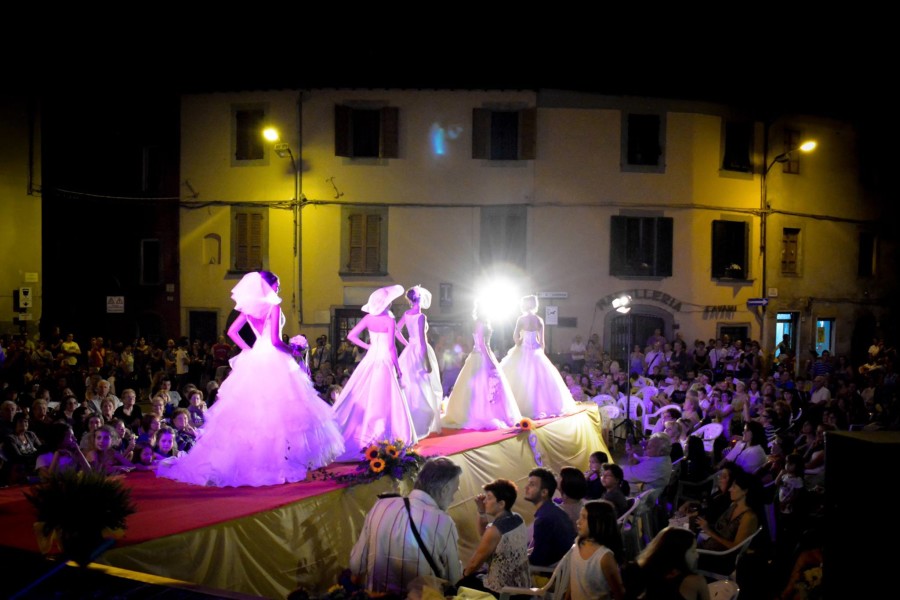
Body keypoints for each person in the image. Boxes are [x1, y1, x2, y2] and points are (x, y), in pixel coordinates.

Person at [157, 271, 345, 486]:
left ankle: (258, 460)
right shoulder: (273, 306)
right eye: (277, 283)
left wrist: (250, 349)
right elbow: (275, 340)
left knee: (254, 411)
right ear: (269, 285)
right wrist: (293, 351)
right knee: (280, 412)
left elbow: (232, 332)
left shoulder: (250, 308)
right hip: (274, 358)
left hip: (256, 356)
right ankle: (276, 461)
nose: (279, 287)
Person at [349, 456, 463, 596]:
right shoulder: (443, 521)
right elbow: (454, 578)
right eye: (454, 492)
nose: (453, 499)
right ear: (444, 490)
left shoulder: (381, 505)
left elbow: (356, 565)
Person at [333, 285, 417, 462]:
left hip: (371, 359)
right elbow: (391, 347)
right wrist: (398, 367)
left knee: (365, 395)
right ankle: (384, 436)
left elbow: (351, 336)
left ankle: (364, 434)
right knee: (385, 398)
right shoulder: (389, 320)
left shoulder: (368, 318)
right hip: (384, 360)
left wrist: (368, 346)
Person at [443, 301, 522, 430]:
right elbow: (481, 343)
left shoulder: (485, 322)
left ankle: (494, 412)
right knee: (480, 386)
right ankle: (480, 413)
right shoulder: (479, 323)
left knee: (489, 386)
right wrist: (490, 361)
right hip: (481, 356)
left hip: (483, 354)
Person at [500, 295, 577, 419]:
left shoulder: (521, 319)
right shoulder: (539, 320)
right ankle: (540, 406)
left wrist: (520, 342)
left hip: (523, 349)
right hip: (536, 351)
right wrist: (540, 355)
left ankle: (517, 408)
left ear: (524, 305)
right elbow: (542, 343)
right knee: (539, 380)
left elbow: (515, 337)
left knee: (519, 378)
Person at [458, 478, 531, 595]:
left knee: (459, 586)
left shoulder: (496, 530)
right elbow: (484, 534)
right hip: (522, 586)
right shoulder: (518, 518)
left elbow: (475, 563)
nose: (485, 501)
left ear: (501, 504)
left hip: (505, 592)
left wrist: (463, 576)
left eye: (489, 498)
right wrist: (481, 511)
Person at [553, 500, 626, 600]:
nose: (578, 521)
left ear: (598, 523)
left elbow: (619, 593)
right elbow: (573, 581)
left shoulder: (604, 557)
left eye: (584, 518)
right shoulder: (578, 543)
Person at [395, 286, 442, 439]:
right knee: (423, 385)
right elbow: (422, 341)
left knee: (411, 386)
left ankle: (408, 421)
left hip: (409, 351)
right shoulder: (421, 317)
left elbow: (396, 330)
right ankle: (420, 422)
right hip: (420, 351)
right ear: (419, 299)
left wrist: (407, 344)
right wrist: (426, 361)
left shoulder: (407, 314)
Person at [623, 526, 710, 600]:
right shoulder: (696, 582)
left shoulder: (635, 571)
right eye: (693, 550)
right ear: (680, 553)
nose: (697, 555)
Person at [696, 468, 761, 552]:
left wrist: (709, 531)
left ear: (745, 491)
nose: (729, 489)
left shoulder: (749, 517)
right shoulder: (733, 505)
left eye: (734, 487)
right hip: (708, 546)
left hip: (716, 555)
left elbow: (736, 548)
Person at [524, 467, 577, 567]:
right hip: (562, 565)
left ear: (544, 492)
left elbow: (538, 560)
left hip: (549, 574)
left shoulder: (544, 519)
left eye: (532, 484)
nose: (526, 487)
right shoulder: (555, 511)